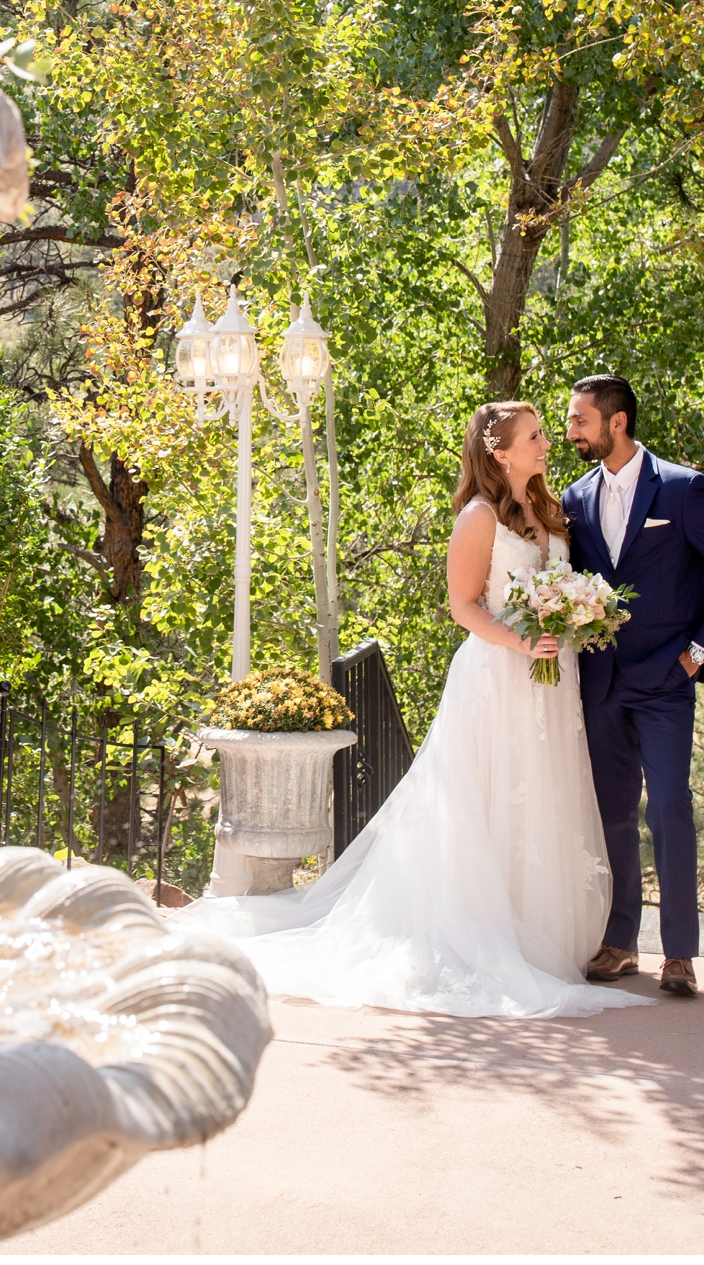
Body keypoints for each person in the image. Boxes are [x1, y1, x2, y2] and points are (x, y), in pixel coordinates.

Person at [175, 400, 649, 1019]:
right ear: (499, 452)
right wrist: (523, 639)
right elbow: (464, 607)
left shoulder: (551, 510)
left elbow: (558, 585)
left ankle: (545, 936)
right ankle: (489, 934)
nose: (545, 445)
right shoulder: (479, 517)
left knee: (543, 794)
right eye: (534, 437)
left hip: (551, 685)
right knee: (490, 801)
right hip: (498, 677)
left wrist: (576, 615)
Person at [561, 374, 704, 997]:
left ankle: (680, 953)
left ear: (616, 422)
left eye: (579, 421)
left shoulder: (682, 490)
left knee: (670, 804)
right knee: (613, 813)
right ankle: (622, 942)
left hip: (666, 682)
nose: (571, 431)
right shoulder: (573, 498)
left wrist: (697, 654)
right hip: (599, 682)